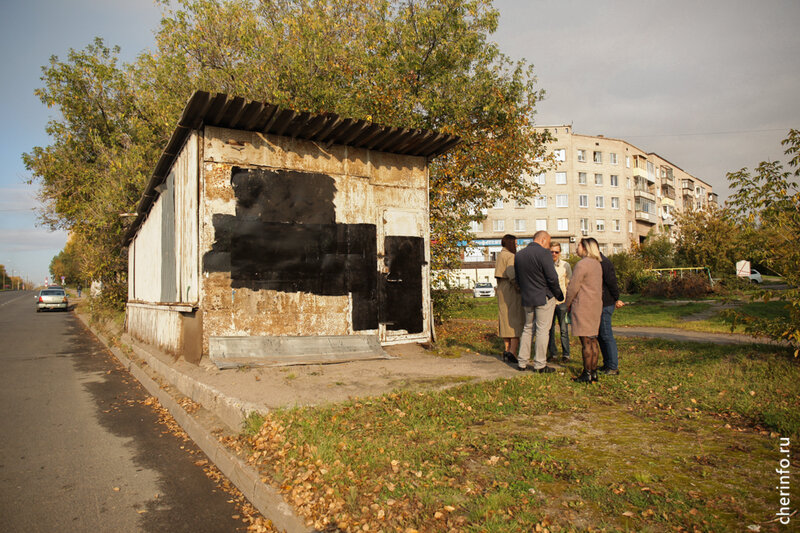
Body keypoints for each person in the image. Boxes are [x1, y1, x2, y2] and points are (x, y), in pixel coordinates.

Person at [514, 231, 564, 373]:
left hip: (527, 297)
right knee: (543, 330)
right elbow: (552, 278)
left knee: (527, 328)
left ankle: (522, 362)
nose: (548, 247)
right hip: (544, 297)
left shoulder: (519, 255)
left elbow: (518, 279)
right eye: (548, 243)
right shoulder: (544, 254)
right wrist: (559, 295)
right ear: (542, 240)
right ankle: (540, 364)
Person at [564, 237, 603, 383]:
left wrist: (567, 303)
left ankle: (586, 374)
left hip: (583, 306)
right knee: (593, 340)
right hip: (595, 306)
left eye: (578, 245)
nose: (576, 247)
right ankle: (593, 373)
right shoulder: (597, 264)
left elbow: (573, 287)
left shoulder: (582, 264)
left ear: (585, 248)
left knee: (585, 342)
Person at [495, 235, 524, 363]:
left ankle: (506, 350)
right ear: (511, 243)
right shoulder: (510, 256)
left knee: (505, 319)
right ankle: (513, 352)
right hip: (511, 290)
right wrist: (520, 288)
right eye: (516, 243)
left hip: (502, 288)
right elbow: (512, 275)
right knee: (515, 320)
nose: (517, 245)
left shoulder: (500, 255)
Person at [598, 253, 625, 375]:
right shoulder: (599, 262)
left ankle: (613, 366)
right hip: (601, 304)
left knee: (606, 335)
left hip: (606, 304)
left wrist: (616, 298)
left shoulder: (604, 263)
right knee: (601, 336)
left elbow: (612, 282)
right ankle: (607, 364)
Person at [547, 243, 572, 362]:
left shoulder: (565, 265)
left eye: (556, 252)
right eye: (551, 251)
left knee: (563, 329)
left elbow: (569, 283)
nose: (554, 254)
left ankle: (566, 354)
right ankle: (553, 354)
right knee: (549, 329)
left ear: (560, 253)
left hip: (562, 302)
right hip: (549, 301)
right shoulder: (546, 265)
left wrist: (568, 301)